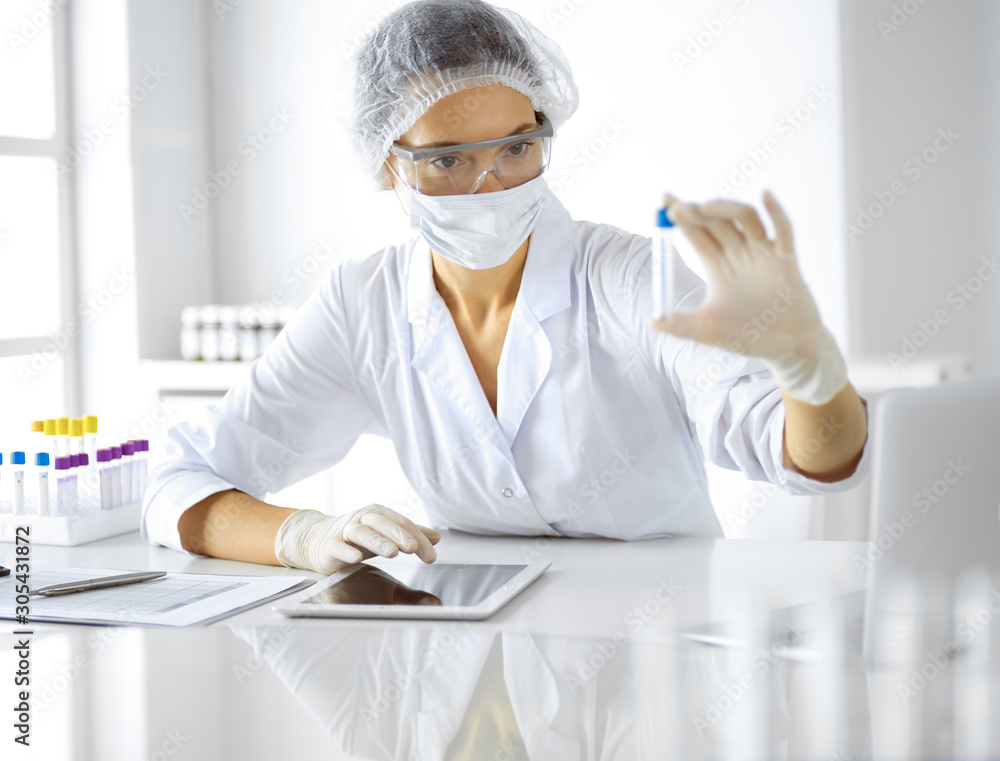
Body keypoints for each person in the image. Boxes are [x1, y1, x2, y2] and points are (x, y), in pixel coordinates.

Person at [141, 0, 870, 574]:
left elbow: (814, 460)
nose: (491, 186)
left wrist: (807, 365)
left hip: (658, 653)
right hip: (476, 658)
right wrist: (303, 535)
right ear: (387, 163)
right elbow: (177, 479)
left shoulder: (630, 277)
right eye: (448, 161)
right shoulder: (363, 305)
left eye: (517, 147)